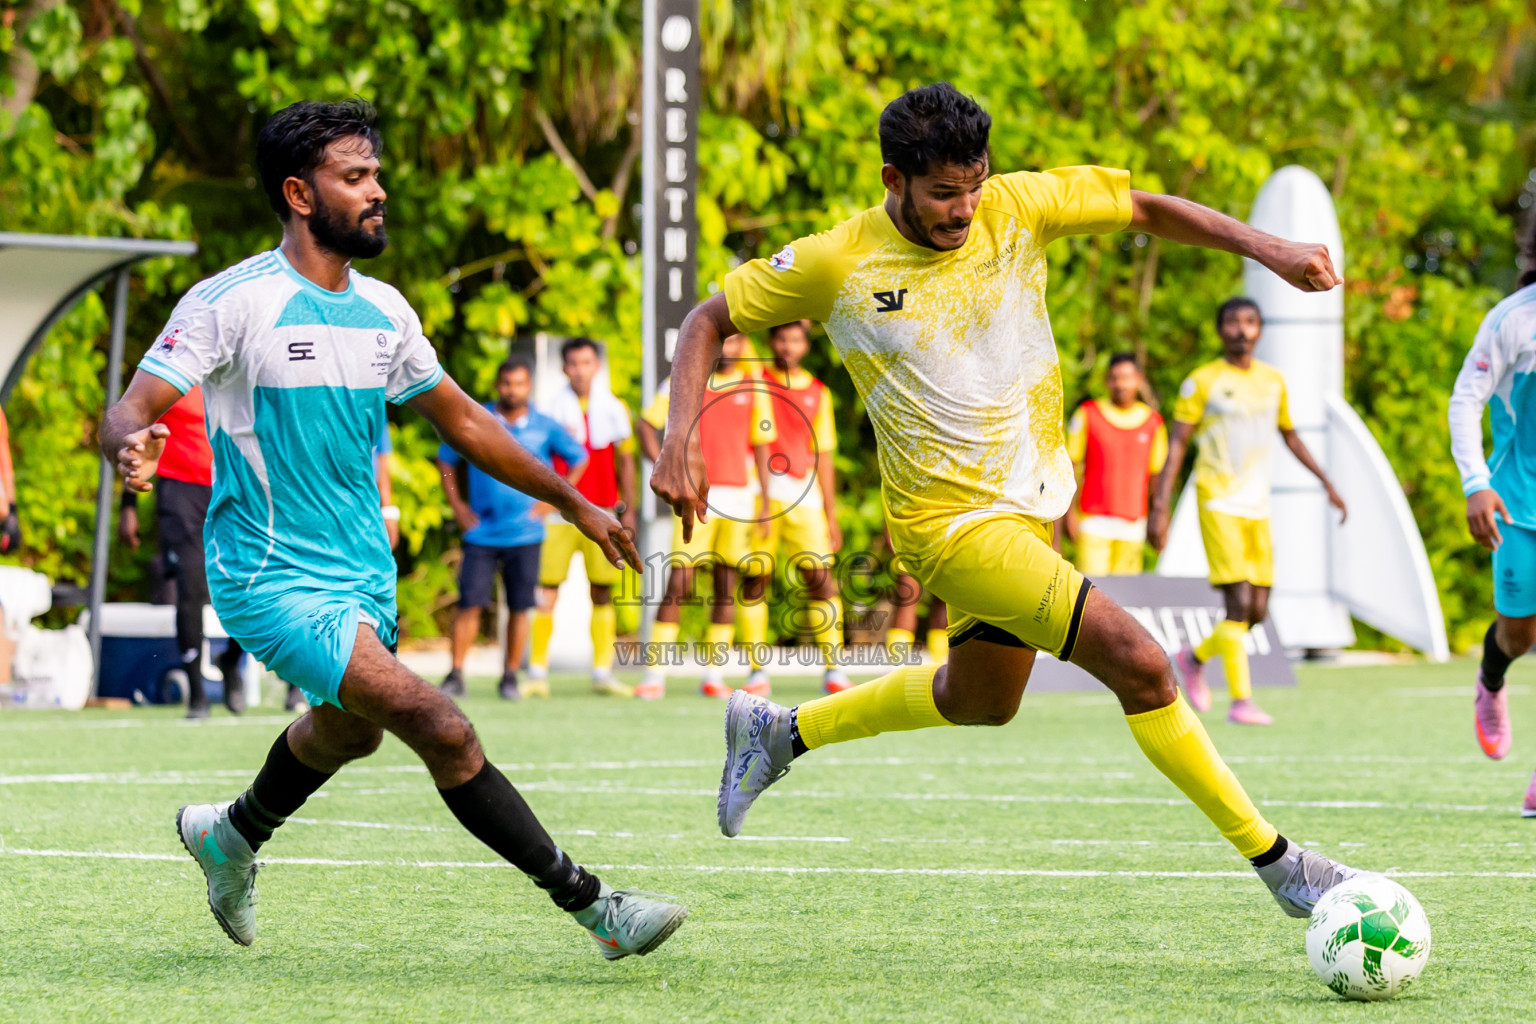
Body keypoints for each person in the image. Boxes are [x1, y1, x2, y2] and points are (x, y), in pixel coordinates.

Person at [651, 81, 1363, 920]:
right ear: (894, 179)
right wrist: (679, 438)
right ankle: (1282, 867)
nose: (963, 208)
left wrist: (1271, 249)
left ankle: (781, 732)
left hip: (1026, 511)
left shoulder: (1018, 206)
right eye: (943, 192)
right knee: (1142, 664)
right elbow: (707, 319)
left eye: (974, 184)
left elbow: (1147, 208)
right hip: (949, 529)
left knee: (980, 701)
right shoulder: (836, 262)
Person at [102, 100, 684, 958]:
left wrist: (578, 504)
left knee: (353, 728)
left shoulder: (386, 312)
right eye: (356, 177)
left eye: (375, 174)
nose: (378, 192)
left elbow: (470, 424)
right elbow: (128, 410)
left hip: (361, 573)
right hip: (269, 576)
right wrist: (131, 446)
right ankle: (598, 910)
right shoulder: (233, 302)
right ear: (300, 194)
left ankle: (229, 836)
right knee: (440, 724)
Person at [1149, 298, 1347, 726]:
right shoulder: (1202, 381)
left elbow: (1290, 435)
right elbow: (1178, 444)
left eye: (1250, 322)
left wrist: (1327, 482)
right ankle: (1241, 701)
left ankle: (1194, 656)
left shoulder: (1273, 381)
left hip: (1257, 505)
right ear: (1221, 330)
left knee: (1257, 611)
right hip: (1217, 499)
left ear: (1260, 329)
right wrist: (1159, 506)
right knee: (1238, 603)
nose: (1242, 330)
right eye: (1233, 322)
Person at [438, 357, 587, 701]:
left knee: (521, 606)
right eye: (506, 384)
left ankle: (509, 676)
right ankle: (456, 673)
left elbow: (579, 459)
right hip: (481, 532)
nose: (512, 390)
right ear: (497, 385)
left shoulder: (545, 426)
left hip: (526, 533)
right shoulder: (478, 418)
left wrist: (555, 502)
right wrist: (457, 505)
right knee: (469, 603)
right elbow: (446, 460)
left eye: (519, 384)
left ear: (529, 387)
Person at [636, 332, 775, 699]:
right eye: (723, 341)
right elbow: (645, 426)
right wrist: (666, 467)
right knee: (678, 584)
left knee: (725, 588)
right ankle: (654, 675)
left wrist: (765, 501)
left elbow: (761, 445)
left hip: (741, 500)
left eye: (736, 341)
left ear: (745, 345)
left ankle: (713, 674)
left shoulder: (754, 385)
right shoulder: (686, 383)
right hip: (699, 497)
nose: (729, 348)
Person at [1448, 248, 1536, 810]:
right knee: (1519, 635)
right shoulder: (1513, 319)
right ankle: (1491, 678)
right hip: (1517, 507)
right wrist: (1475, 482)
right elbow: (1465, 401)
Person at [738, 320, 850, 695]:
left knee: (820, 580)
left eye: (796, 339)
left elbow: (825, 455)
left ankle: (834, 668)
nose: (788, 346)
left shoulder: (819, 393)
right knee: (755, 579)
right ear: (771, 341)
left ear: (806, 345)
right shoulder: (755, 378)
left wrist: (831, 514)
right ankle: (757, 671)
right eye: (781, 338)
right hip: (760, 496)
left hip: (806, 496)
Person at [119, 386, 245, 717]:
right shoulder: (172, 373)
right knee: (191, 586)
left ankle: (230, 660)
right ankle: (197, 694)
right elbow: (137, 434)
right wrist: (128, 504)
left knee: (246, 584)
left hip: (230, 488)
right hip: (180, 491)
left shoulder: (238, 368)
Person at [532, 338, 636, 696]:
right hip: (560, 514)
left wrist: (630, 507)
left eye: (587, 362)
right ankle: (536, 672)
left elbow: (625, 459)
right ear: (564, 368)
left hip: (604, 509)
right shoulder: (548, 408)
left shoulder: (615, 408)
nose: (580, 370)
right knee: (547, 590)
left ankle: (602, 673)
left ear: (597, 366)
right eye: (573, 363)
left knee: (602, 590)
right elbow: (540, 458)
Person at [1063, 353, 1167, 577]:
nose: (1121, 384)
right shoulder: (1088, 414)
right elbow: (1069, 468)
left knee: (1126, 596)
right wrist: (1068, 514)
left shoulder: (1152, 422)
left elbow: (1157, 476)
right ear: (1107, 381)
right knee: (1093, 590)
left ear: (1139, 379)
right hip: (1093, 521)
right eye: (1115, 378)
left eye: (1127, 377)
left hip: (1133, 522)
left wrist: (1158, 517)